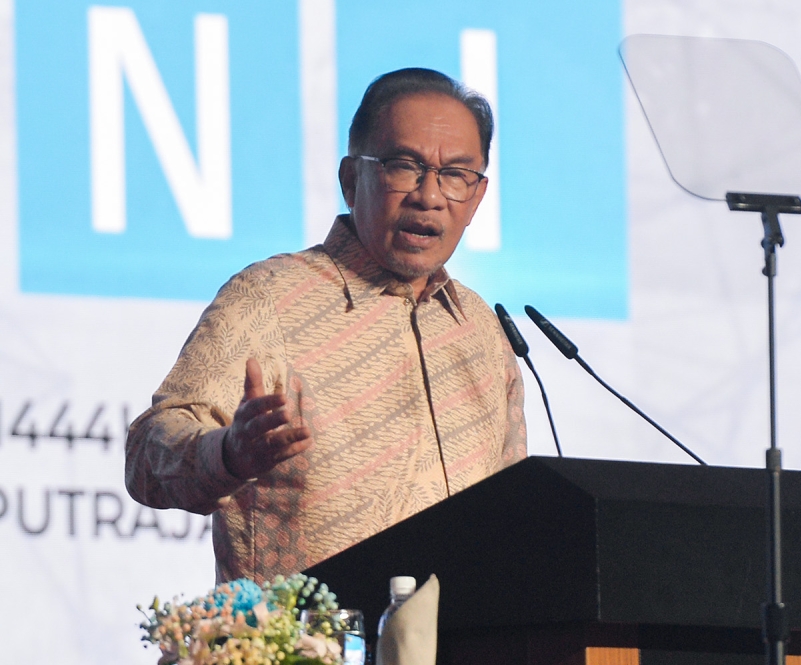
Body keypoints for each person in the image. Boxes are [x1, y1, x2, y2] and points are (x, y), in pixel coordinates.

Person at [126, 68, 527, 583]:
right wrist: (228, 452)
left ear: (476, 197)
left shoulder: (480, 333)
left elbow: (515, 518)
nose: (429, 195)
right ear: (349, 180)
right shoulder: (267, 298)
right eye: (403, 166)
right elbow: (146, 455)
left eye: (455, 174)